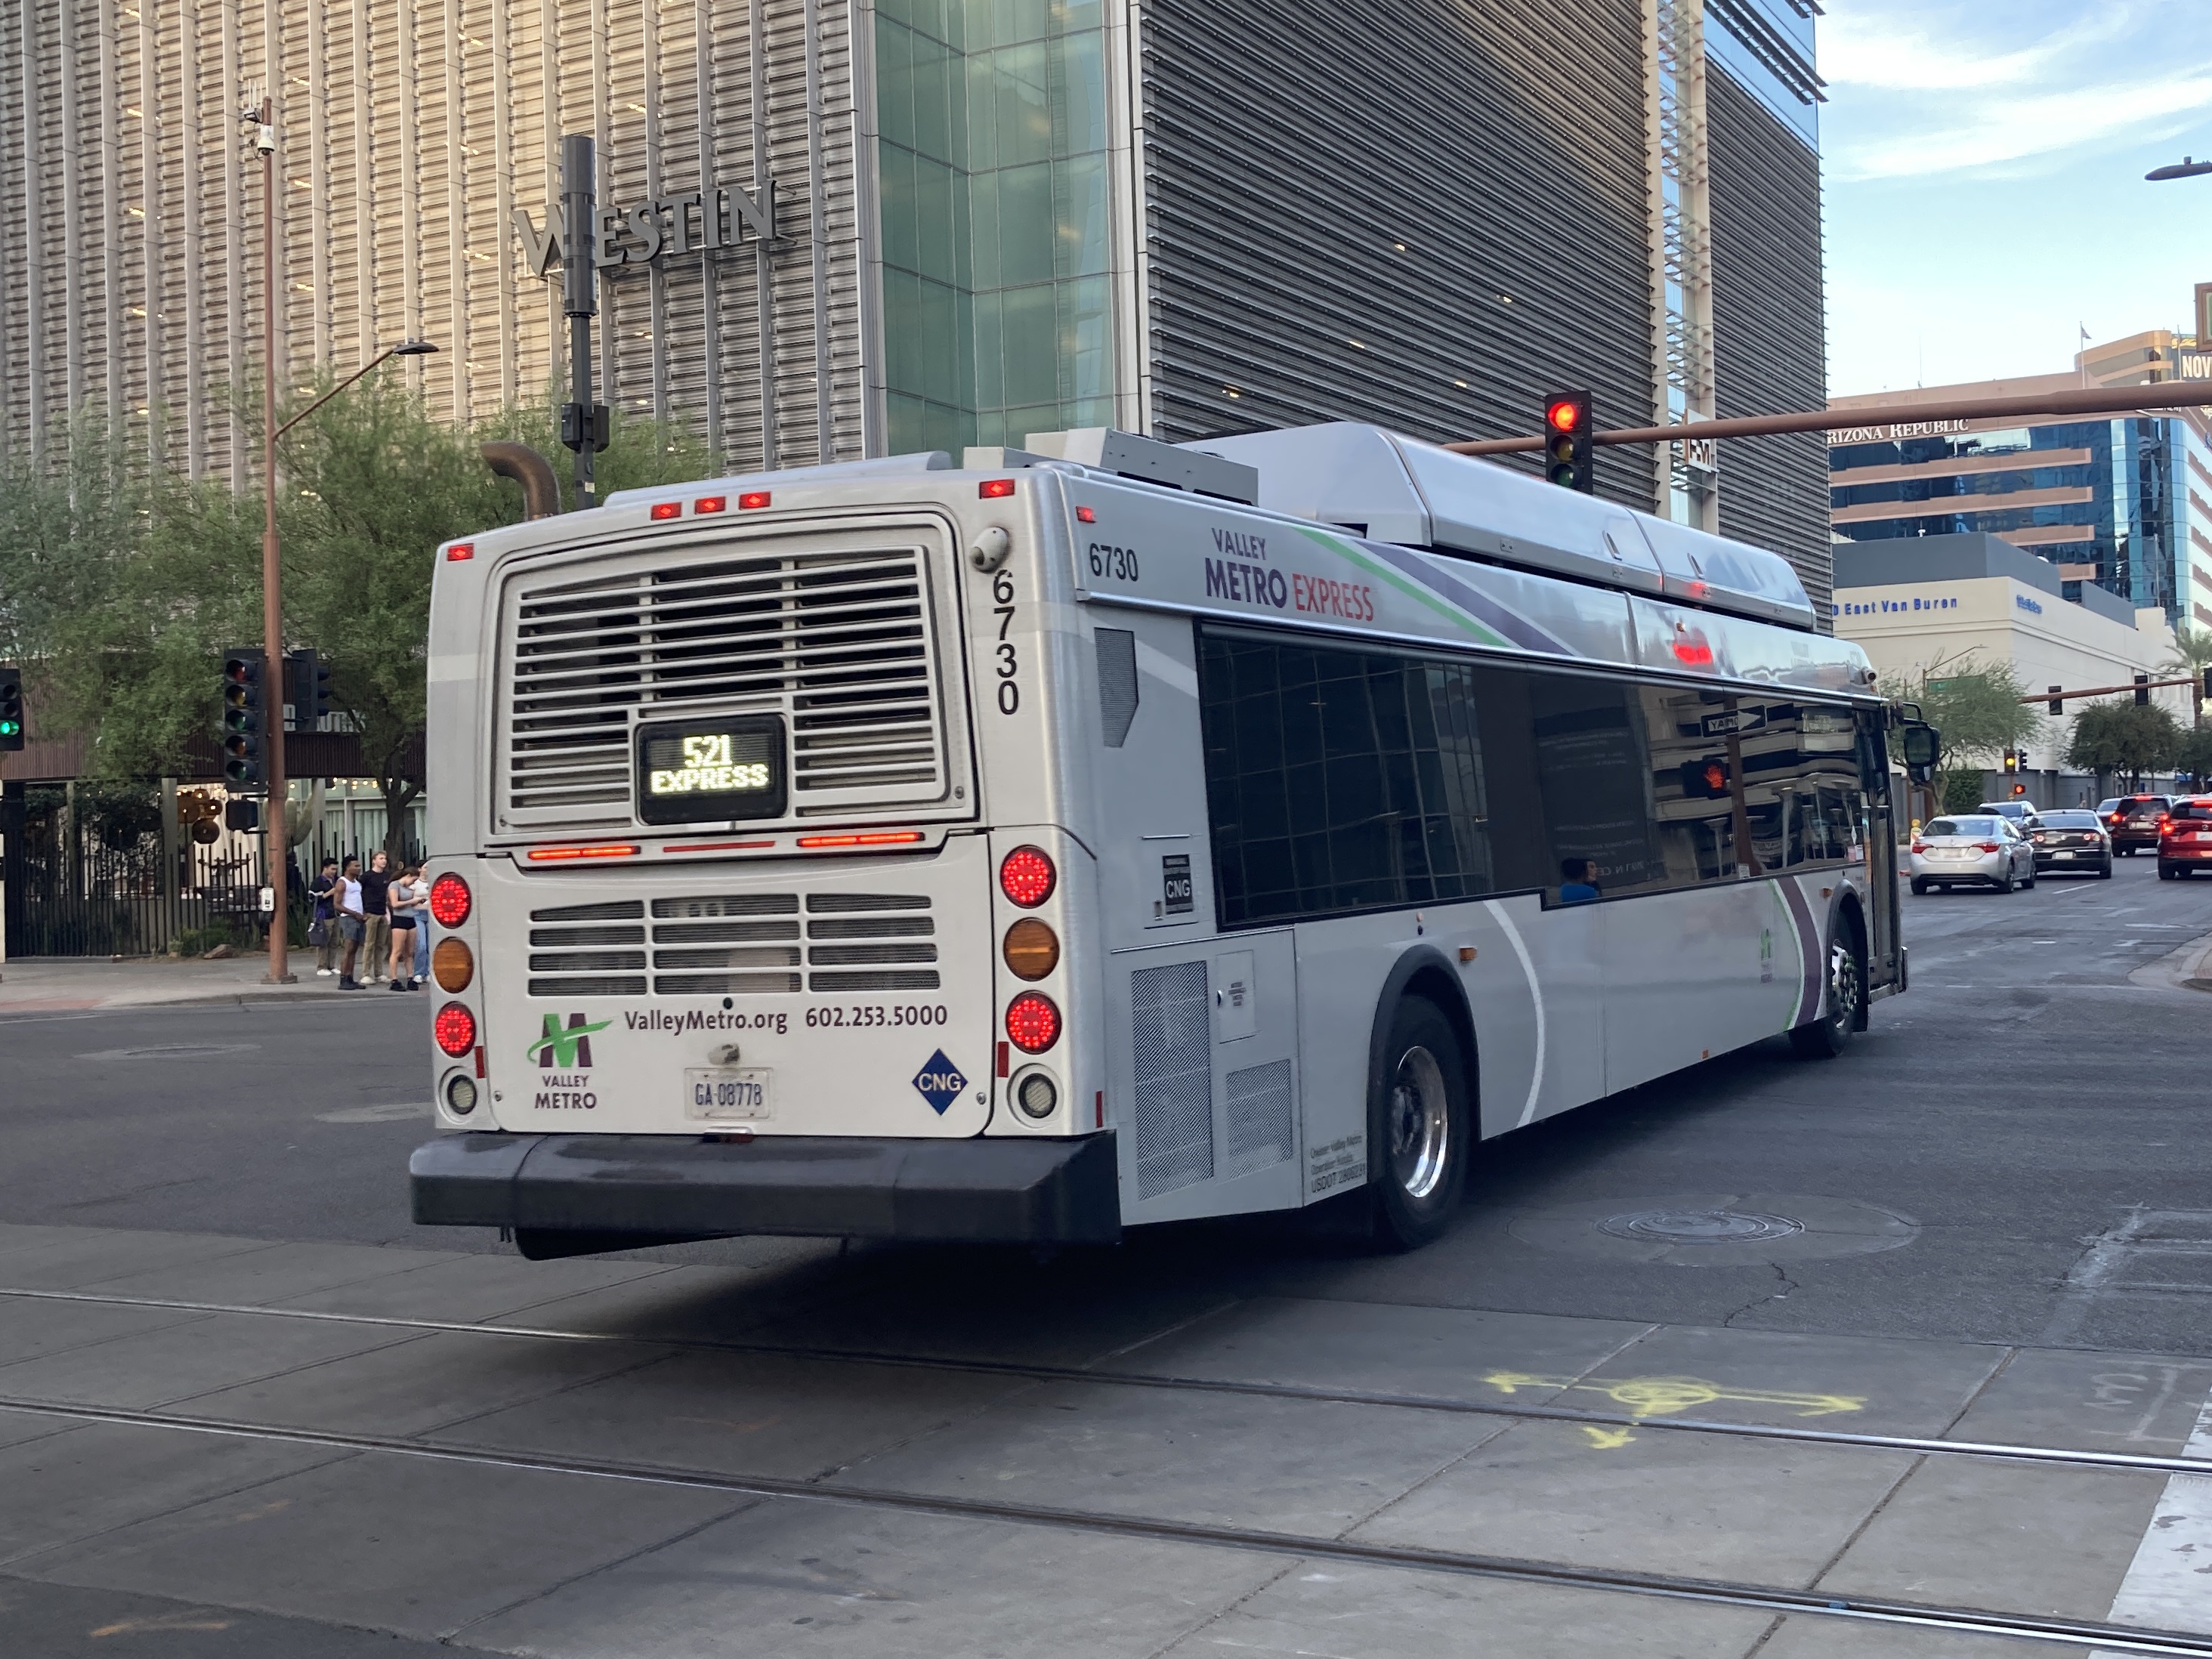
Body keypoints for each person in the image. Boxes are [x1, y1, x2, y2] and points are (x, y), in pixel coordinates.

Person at [387, 864, 424, 990]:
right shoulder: (395, 885)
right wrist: (411, 902)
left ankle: (410, 977)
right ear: (407, 876)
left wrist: (418, 901)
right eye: (413, 880)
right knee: (397, 951)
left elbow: (412, 902)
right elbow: (395, 903)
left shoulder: (410, 888)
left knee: (410, 952)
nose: (413, 883)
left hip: (410, 918)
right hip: (399, 919)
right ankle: (394, 979)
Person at [335, 856, 367, 989]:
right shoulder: (342, 883)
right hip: (348, 918)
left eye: (359, 866)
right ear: (347, 867)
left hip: (359, 918)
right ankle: (343, 979)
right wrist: (354, 913)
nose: (358, 869)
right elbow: (337, 904)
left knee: (354, 949)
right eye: (356, 866)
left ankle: (350, 977)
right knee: (348, 949)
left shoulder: (357, 883)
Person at [360, 850, 392, 984]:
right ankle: (366, 973)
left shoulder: (387, 876)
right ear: (374, 860)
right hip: (371, 912)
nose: (384, 861)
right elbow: (360, 894)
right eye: (380, 858)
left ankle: (379, 973)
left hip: (382, 912)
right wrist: (363, 911)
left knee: (380, 945)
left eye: (385, 858)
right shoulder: (366, 876)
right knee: (369, 944)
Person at [308, 857, 341, 977]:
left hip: (335, 913)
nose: (334, 872)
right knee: (323, 941)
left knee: (334, 941)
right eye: (332, 869)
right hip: (324, 914)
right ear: (325, 868)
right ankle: (321, 966)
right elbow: (311, 898)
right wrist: (328, 894)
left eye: (336, 869)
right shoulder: (318, 882)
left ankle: (332, 965)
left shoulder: (337, 880)